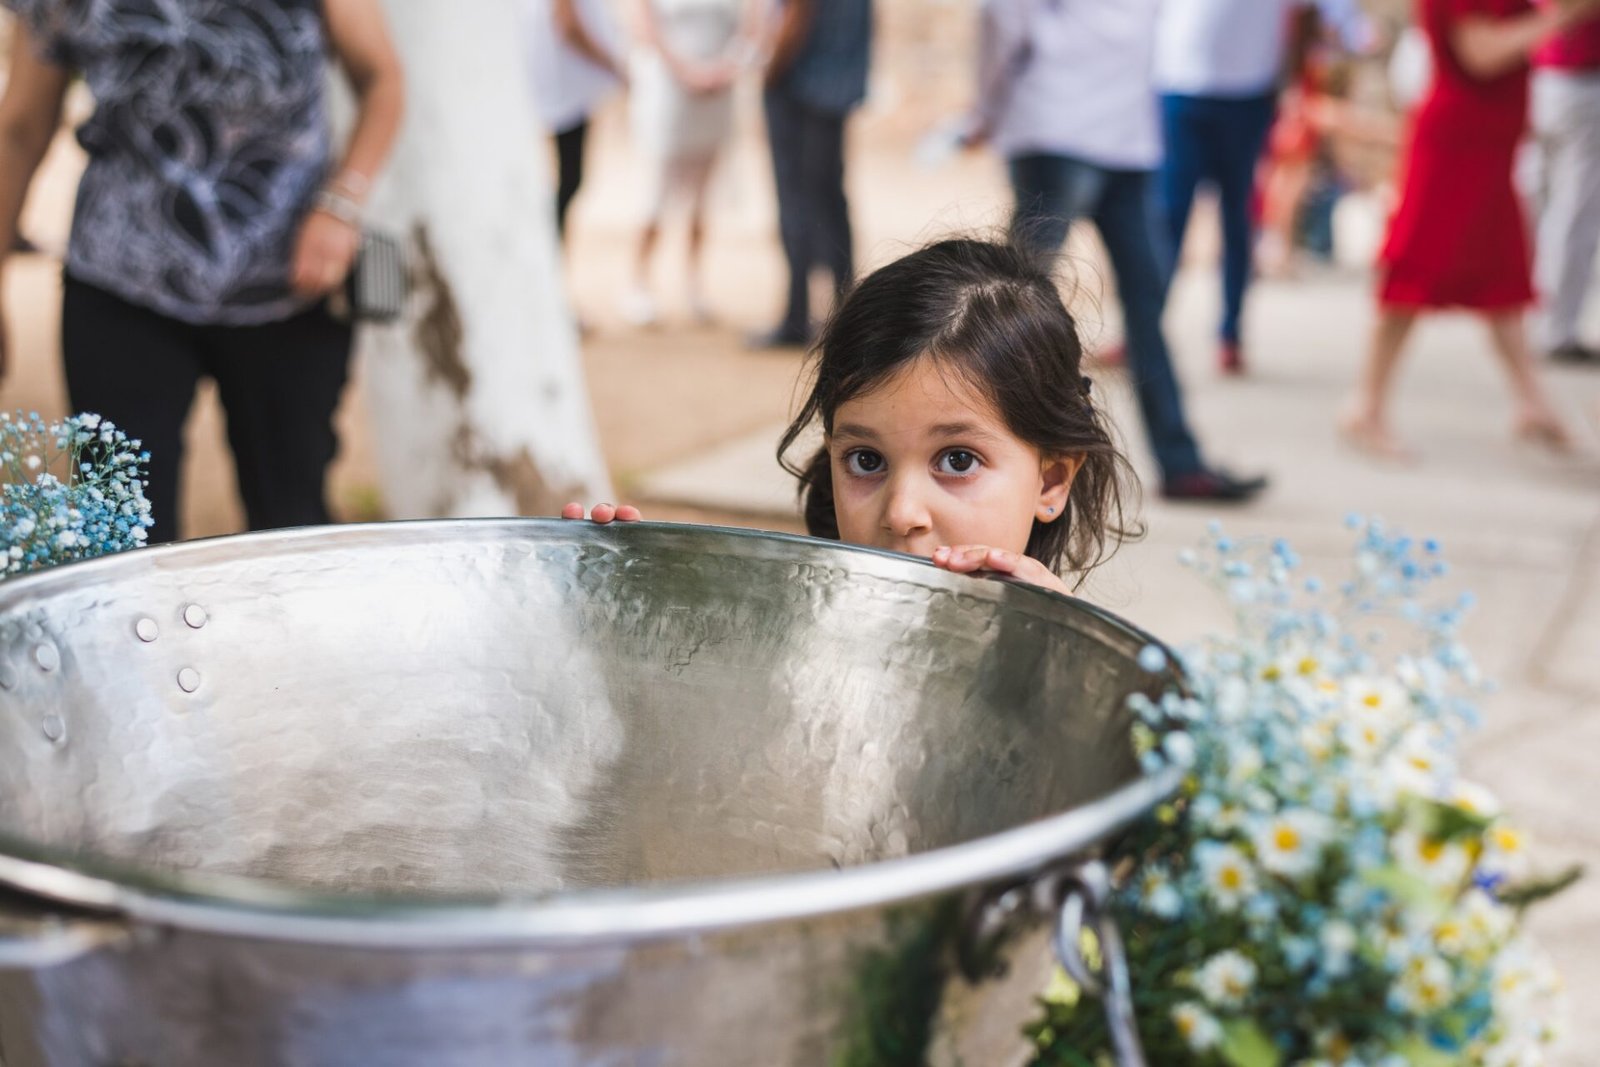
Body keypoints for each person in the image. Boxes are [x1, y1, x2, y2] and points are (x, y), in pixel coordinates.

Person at [0, 0, 404, 543]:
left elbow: (382, 79)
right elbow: (20, 128)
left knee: (291, 527)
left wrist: (340, 205)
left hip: (287, 283)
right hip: (120, 282)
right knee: (122, 534)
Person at [570, 239, 1141, 595]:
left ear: (1051, 480)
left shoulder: (1099, 704)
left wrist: (1065, 654)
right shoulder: (790, 640)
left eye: (958, 460)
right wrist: (627, 612)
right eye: (866, 460)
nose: (901, 513)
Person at [966, 0, 1267, 503]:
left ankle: (1180, 462)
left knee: (1143, 308)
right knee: (1010, 302)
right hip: (1060, 123)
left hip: (1127, 136)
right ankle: (977, 447)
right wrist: (986, 106)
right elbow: (1002, 16)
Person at [1343, 0, 1599, 458]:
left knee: (1501, 277)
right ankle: (1367, 405)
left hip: (1487, 144)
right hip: (1456, 145)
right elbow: (1480, 52)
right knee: (1413, 273)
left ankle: (1531, 401)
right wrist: (1563, 18)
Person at [1156, 0, 1369, 373]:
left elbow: (1309, 17)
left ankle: (1230, 333)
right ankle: (1147, 329)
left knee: (1237, 216)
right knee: (1171, 215)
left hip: (1246, 94)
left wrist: (1288, 86)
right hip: (1181, 86)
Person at [623, 0, 758, 326]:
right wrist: (686, 72)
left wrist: (727, 67)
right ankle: (638, 283)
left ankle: (693, 285)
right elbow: (644, 28)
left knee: (703, 198)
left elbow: (751, 25)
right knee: (656, 194)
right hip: (670, 91)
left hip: (716, 93)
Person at [747, 0, 872, 350]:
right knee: (830, 198)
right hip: (836, 87)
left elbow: (796, 16)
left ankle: (797, 315)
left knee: (797, 200)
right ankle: (846, 312)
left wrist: (770, 70)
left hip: (799, 87)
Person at [1530, 1, 1600, 364]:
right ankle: (1557, 329)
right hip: (1576, 78)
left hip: (1547, 78)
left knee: (1550, 205)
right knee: (1575, 214)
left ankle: (1542, 320)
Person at [525, 0, 627, 243]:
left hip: (563, 89)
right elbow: (568, 25)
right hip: (563, 91)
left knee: (567, 178)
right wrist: (612, 64)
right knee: (569, 178)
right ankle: (547, 245)